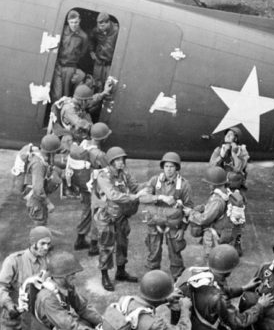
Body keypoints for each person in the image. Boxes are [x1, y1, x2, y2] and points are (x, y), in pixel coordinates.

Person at [139, 151, 193, 281]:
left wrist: (182, 229)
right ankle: (152, 278)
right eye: (166, 166)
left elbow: (188, 209)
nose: (169, 169)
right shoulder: (154, 181)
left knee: (175, 251)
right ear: (163, 167)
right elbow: (142, 198)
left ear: (177, 168)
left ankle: (178, 278)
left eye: (172, 166)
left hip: (173, 223)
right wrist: (160, 197)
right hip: (155, 221)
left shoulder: (184, 185)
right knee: (154, 249)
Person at [93, 146, 141, 291]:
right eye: (117, 160)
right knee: (106, 247)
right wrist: (134, 197)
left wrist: (148, 188)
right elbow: (113, 195)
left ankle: (121, 271)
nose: (121, 162)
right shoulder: (103, 175)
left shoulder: (124, 173)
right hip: (106, 216)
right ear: (111, 161)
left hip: (121, 215)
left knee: (122, 244)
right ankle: (105, 276)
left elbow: (135, 186)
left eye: (122, 159)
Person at [68, 122, 111, 253]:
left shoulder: (83, 145)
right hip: (95, 187)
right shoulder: (99, 155)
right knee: (98, 213)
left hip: (83, 185)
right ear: (103, 138)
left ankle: (80, 239)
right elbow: (108, 173)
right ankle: (94, 245)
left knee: (87, 209)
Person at [183, 166, 232, 264]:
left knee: (210, 260)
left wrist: (191, 213)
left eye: (209, 183)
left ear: (213, 183)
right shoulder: (225, 193)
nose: (208, 185)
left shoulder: (217, 200)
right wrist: (202, 207)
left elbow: (204, 219)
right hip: (220, 232)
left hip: (213, 236)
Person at [24, 134, 63, 226]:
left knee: (42, 224)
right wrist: (48, 203)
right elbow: (38, 189)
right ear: (51, 152)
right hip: (36, 200)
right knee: (39, 227)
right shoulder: (38, 164)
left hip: (38, 199)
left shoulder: (42, 159)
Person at [52, 9, 89, 101]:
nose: (74, 25)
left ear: (79, 21)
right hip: (58, 65)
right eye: (71, 22)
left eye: (76, 22)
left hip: (70, 68)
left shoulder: (83, 36)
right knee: (56, 95)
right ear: (68, 22)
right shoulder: (62, 30)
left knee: (65, 96)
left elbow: (82, 53)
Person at [89, 13, 119, 91]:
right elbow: (91, 39)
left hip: (110, 63)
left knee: (109, 85)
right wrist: (91, 52)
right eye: (99, 25)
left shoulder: (116, 31)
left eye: (102, 26)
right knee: (96, 85)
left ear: (108, 23)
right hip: (98, 62)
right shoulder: (96, 30)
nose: (100, 28)